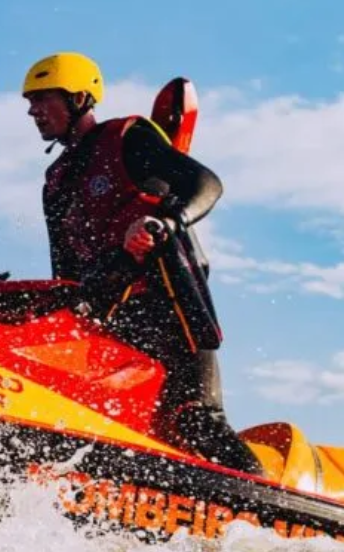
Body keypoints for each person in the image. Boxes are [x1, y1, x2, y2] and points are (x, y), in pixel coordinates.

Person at [22, 52, 263, 475]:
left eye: (43, 99)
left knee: (197, 421)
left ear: (79, 98)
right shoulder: (55, 182)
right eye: (30, 102)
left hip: (170, 305)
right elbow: (63, 271)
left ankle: (267, 509)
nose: (32, 110)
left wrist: (165, 222)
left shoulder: (127, 137)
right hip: (114, 320)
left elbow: (206, 184)